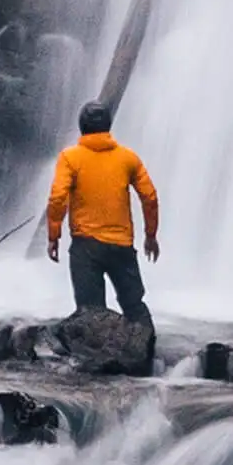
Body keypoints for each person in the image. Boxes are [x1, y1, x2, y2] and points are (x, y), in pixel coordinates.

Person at [45, 101, 159, 325]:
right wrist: (151, 235)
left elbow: (58, 198)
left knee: (90, 313)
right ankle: (147, 352)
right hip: (122, 245)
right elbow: (150, 197)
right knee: (134, 306)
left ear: (81, 126)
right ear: (108, 126)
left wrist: (53, 236)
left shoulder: (70, 158)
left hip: (86, 246)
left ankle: (96, 357)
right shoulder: (128, 158)